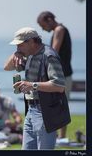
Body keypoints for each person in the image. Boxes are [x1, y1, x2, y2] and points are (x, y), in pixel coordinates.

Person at [4, 27, 71, 150]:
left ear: (31, 42)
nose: (17, 48)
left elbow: (59, 86)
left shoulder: (49, 56)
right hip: (31, 111)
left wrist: (32, 85)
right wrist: (16, 54)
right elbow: (7, 67)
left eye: (19, 45)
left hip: (45, 112)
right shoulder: (29, 55)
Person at [37, 11, 73, 139]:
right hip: (62, 74)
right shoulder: (59, 30)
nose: (42, 28)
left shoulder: (59, 29)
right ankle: (58, 136)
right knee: (58, 105)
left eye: (42, 25)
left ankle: (61, 137)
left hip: (62, 75)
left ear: (49, 19)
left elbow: (52, 52)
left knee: (60, 105)